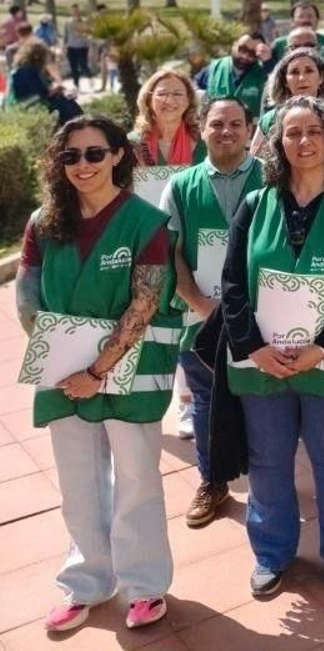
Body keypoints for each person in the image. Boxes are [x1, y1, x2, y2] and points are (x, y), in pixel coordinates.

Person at [18, 115, 175, 633]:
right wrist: (59, 355)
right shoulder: (44, 222)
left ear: (116, 156)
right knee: (79, 483)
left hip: (125, 374)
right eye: (70, 156)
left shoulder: (145, 222)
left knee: (137, 480)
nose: (81, 165)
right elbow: (27, 293)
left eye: (93, 154)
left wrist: (96, 368)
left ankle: (145, 585)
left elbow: (144, 304)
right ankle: (85, 582)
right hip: (64, 374)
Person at [219, 97, 324, 597]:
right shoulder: (255, 202)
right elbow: (232, 283)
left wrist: (322, 348)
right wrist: (254, 348)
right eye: (292, 133)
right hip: (261, 361)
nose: (303, 141)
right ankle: (271, 552)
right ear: (278, 142)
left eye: (314, 131)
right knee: (268, 460)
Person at [161, 97, 262, 530]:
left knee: (262, 405)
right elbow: (170, 253)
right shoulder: (180, 187)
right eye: (217, 123)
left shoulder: (272, 176)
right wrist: (202, 306)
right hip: (199, 318)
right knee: (205, 402)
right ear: (201, 129)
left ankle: (267, 486)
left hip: (263, 319)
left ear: (249, 128)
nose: (227, 131)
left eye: (236, 124)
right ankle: (212, 481)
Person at [249, 48, 324, 156]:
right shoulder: (270, 120)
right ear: (285, 81)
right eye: (294, 72)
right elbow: (255, 163)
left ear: (321, 78)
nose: (301, 78)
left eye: (309, 71)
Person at [130, 67, 204, 167]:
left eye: (177, 94)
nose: (169, 101)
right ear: (149, 100)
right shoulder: (132, 143)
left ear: (189, 99)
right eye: (162, 94)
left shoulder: (205, 141)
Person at [7, 40, 83, 122]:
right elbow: (39, 93)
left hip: (29, 101)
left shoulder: (26, 69)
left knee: (66, 101)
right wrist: (55, 91)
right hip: (27, 104)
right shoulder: (26, 71)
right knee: (66, 104)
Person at [200, 34, 271, 119]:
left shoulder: (264, 71)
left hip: (250, 130)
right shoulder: (215, 67)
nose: (245, 56)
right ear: (234, 44)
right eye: (242, 49)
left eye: (252, 53)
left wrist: (269, 61)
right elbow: (193, 90)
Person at [269, 2, 324, 67]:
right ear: (292, 21)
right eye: (300, 16)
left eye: (310, 16)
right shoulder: (278, 45)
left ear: (317, 19)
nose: (305, 20)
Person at [64, 4, 92, 88]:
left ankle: (90, 77)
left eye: (77, 10)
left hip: (82, 47)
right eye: (73, 10)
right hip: (71, 47)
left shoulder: (84, 21)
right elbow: (66, 35)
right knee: (73, 67)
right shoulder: (67, 22)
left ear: (79, 11)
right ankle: (76, 85)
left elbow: (89, 33)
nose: (75, 12)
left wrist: (89, 44)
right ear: (71, 11)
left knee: (83, 65)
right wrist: (64, 47)